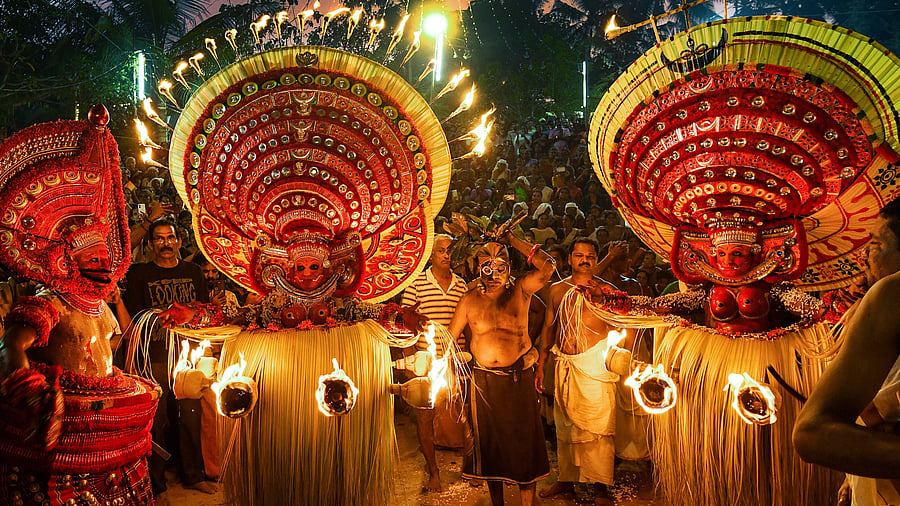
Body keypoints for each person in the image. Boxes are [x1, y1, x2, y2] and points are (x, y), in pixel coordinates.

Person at [0, 105, 159, 505]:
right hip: (65, 424)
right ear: (69, 261)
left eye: (105, 259)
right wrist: (32, 394)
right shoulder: (52, 302)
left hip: (103, 418)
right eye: (93, 261)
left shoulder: (101, 304)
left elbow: (115, 345)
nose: (104, 266)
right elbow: (11, 346)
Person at [794, 198, 900, 505]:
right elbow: (814, 433)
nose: (867, 255)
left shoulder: (889, 298)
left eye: (877, 244)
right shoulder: (885, 300)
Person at [448, 233, 556, 506]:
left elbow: (548, 266)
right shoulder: (469, 299)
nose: (494, 273)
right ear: (477, 268)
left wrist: (512, 239)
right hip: (483, 383)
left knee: (523, 447)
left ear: (510, 268)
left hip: (517, 380)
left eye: (501, 267)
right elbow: (449, 338)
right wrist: (451, 366)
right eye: (487, 267)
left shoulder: (521, 290)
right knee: (491, 449)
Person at [123, 219, 213, 504]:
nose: (165, 243)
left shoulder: (193, 271)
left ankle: (194, 475)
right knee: (157, 418)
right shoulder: (140, 275)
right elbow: (135, 319)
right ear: (150, 244)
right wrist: (160, 317)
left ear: (178, 240)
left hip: (190, 351)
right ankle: (157, 484)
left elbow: (203, 309)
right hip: (155, 355)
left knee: (190, 414)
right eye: (159, 238)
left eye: (170, 237)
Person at [537, 238, 624, 506]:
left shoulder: (608, 291)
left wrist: (621, 359)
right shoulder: (556, 290)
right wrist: (541, 365)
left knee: (598, 429)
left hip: (595, 366)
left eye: (589, 255)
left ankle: (600, 487)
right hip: (564, 363)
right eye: (578, 255)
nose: (584, 260)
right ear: (571, 259)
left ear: (596, 259)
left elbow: (624, 326)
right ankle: (566, 480)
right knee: (565, 427)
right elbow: (548, 329)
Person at [400, 234, 468, 492]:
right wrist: (410, 362)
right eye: (441, 250)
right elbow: (405, 322)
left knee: (466, 417)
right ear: (431, 254)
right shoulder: (417, 283)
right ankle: (433, 472)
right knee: (425, 417)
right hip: (426, 363)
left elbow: (468, 325)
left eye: (449, 250)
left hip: (456, 360)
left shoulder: (462, 285)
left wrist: (468, 358)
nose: (446, 254)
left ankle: (470, 468)